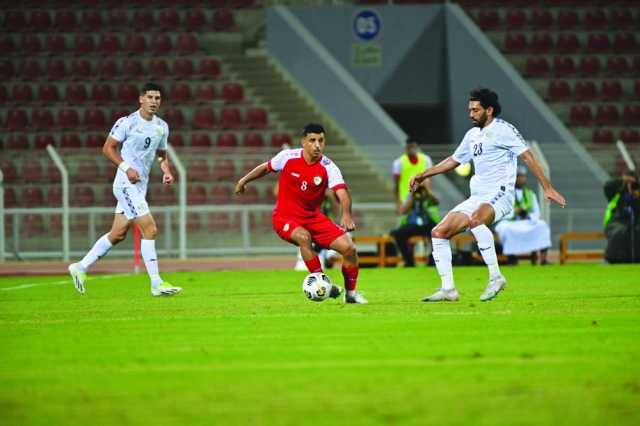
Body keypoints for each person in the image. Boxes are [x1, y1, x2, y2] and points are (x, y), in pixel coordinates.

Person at [410, 88, 565, 302]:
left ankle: (496, 277)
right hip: (477, 196)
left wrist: (547, 187)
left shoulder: (504, 130)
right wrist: (423, 175)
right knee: (439, 232)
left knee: (476, 221)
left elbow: (528, 157)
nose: (470, 114)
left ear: (489, 110)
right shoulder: (472, 135)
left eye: (475, 110)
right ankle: (448, 289)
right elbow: (454, 160)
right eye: (469, 109)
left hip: (500, 194)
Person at [68, 83, 182, 297]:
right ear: (141, 99)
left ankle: (80, 267)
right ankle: (156, 283)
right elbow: (107, 148)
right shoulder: (127, 122)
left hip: (140, 185)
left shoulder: (162, 127)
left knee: (118, 234)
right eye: (150, 97)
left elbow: (161, 153)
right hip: (125, 183)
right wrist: (126, 168)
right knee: (150, 229)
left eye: (157, 98)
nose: (154, 101)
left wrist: (166, 170)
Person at [235, 123, 367, 304]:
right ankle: (322, 283)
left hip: (314, 218)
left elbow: (342, 192)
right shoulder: (287, 157)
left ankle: (351, 295)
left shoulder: (328, 166)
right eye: (312, 140)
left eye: (321, 140)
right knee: (303, 238)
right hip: (284, 217)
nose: (317, 145)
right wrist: (244, 180)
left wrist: (346, 214)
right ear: (303, 142)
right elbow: (265, 168)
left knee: (349, 249)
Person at [494, 166, 551, 265]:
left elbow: (536, 212)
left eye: (523, 176)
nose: (521, 179)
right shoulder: (505, 193)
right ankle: (511, 258)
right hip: (511, 222)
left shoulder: (530, 194)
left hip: (526, 221)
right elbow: (500, 211)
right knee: (505, 229)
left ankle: (543, 259)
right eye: (518, 176)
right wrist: (515, 212)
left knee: (542, 225)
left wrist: (528, 214)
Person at [389, 180, 440, 267]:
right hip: (413, 224)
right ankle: (409, 261)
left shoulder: (429, 195)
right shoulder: (411, 195)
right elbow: (402, 211)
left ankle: (433, 260)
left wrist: (427, 191)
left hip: (427, 222)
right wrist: (412, 195)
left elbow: (436, 202)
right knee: (398, 234)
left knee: (438, 233)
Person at [603, 169, 640, 263]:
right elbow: (607, 186)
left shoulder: (637, 191)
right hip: (617, 221)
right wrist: (622, 181)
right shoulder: (617, 190)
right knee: (619, 232)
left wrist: (635, 193)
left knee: (636, 231)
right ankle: (615, 259)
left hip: (635, 221)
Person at [393, 139, 433, 210]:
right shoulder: (398, 162)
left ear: (416, 147)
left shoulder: (426, 159)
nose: (411, 149)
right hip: (406, 199)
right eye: (409, 147)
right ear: (405, 148)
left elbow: (429, 180)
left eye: (413, 147)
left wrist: (429, 194)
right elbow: (396, 185)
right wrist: (398, 203)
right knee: (404, 220)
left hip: (423, 196)